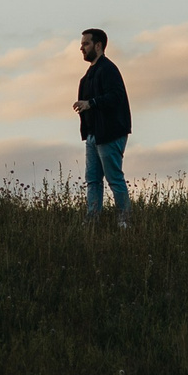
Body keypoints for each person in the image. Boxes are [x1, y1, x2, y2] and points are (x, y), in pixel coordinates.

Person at [72, 27, 132, 226]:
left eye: (86, 44)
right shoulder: (88, 76)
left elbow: (116, 97)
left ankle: (124, 220)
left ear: (98, 45)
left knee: (114, 178)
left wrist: (91, 103)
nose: (82, 48)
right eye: (81, 44)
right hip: (93, 136)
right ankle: (92, 220)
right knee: (93, 180)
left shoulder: (108, 69)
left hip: (110, 134)